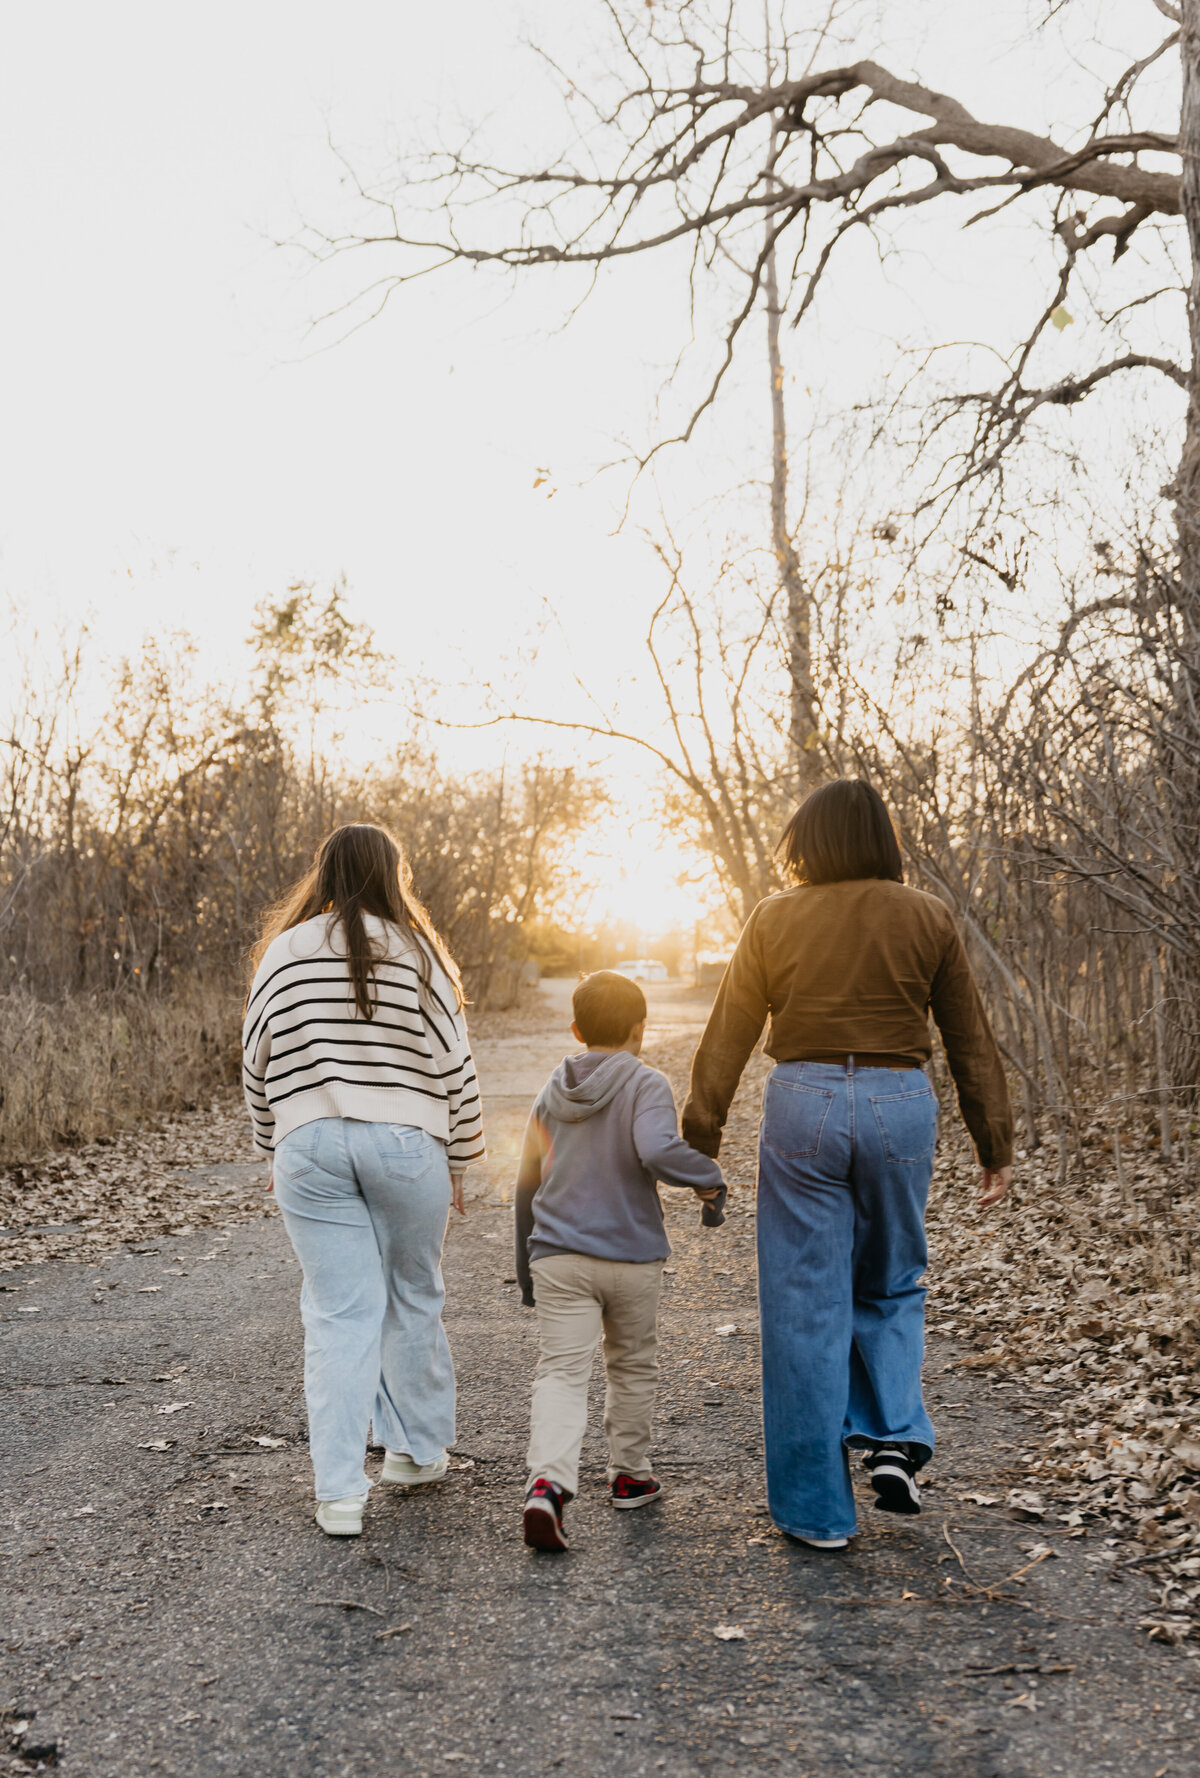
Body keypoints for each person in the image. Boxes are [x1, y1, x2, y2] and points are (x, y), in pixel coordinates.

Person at [682, 779, 1013, 1550]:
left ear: (808, 841)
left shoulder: (775, 917)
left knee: (803, 1306)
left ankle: (817, 1514)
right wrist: (993, 1142)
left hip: (805, 1098)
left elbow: (728, 1029)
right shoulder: (928, 914)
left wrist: (702, 1138)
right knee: (893, 1280)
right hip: (902, 1101)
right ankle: (895, 1433)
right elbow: (970, 1037)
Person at [242, 823, 484, 1537]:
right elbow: (456, 1066)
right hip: (409, 1144)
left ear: (322, 873)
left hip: (309, 1144)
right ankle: (412, 1452)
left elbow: (256, 1061)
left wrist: (272, 1146)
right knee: (413, 1294)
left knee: (340, 1315)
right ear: (391, 874)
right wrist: (464, 1157)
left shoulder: (284, 953)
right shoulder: (418, 951)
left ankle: (340, 1494)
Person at [515, 970, 727, 1552]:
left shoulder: (549, 1091)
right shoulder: (646, 1082)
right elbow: (657, 1149)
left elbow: (526, 1181)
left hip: (557, 1255)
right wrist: (707, 1177)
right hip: (631, 1257)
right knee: (631, 1364)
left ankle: (549, 1486)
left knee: (562, 1371)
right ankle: (630, 1475)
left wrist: (524, 1262)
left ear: (576, 1028)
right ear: (641, 1028)